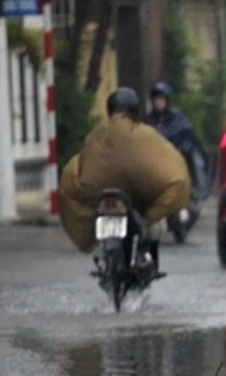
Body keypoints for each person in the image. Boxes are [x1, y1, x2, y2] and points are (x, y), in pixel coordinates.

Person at [58, 87, 191, 261]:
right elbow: (176, 174)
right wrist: (150, 217)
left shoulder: (97, 135)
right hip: (136, 202)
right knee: (155, 224)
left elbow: (79, 166)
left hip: (102, 197)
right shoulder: (147, 134)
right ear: (135, 109)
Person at [144, 81, 209, 204]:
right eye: (156, 99)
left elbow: (188, 136)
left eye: (162, 99)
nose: (159, 102)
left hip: (175, 160)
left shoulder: (178, 119)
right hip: (153, 163)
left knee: (195, 158)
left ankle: (196, 189)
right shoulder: (148, 121)